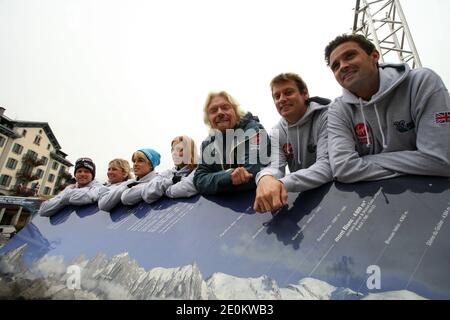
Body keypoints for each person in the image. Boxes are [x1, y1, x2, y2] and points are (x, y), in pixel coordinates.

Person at [324, 34, 450, 183]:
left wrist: (362, 162)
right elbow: (343, 168)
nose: (343, 66)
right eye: (336, 66)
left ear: (375, 56)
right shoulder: (338, 110)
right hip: (381, 201)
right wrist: (418, 160)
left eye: (350, 56)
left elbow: (440, 160)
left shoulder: (421, 82)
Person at [253, 73, 332, 213]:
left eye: (288, 92)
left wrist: (281, 183)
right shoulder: (276, 131)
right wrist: (266, 178)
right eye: (277, 96)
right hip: (305, 197)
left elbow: (326, 166)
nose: (282, 99)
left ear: (305, 94)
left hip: (335, 190)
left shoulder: (327, 115)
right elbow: (275, 166)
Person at [194, 91, 270, 195]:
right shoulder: (207, 144)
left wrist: (214, 185)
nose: (220, 113)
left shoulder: (254, 130)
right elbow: (199, 180)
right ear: (209, 120)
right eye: (213, 110)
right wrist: (229, 176)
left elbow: (253, 174)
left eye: (225, 107)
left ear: (236, 112)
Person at [38, 157, 105, 217]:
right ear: (75, 174)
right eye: (79, 171)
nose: (82, 174)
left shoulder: (99, 188)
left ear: (92, 175)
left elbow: (85, 197)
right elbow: (42, 210)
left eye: (86, 171)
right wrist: (64, 199)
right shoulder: (69, 188)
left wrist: (64, 198)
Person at [142, 135, 198, 203]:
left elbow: (188, 188)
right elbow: (147, 194)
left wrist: (165, 191)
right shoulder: (167, 173)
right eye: (173, 150)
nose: (174, 153)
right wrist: (171, 181)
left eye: (179, 149)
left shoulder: (200, 168)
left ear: (190, 151)